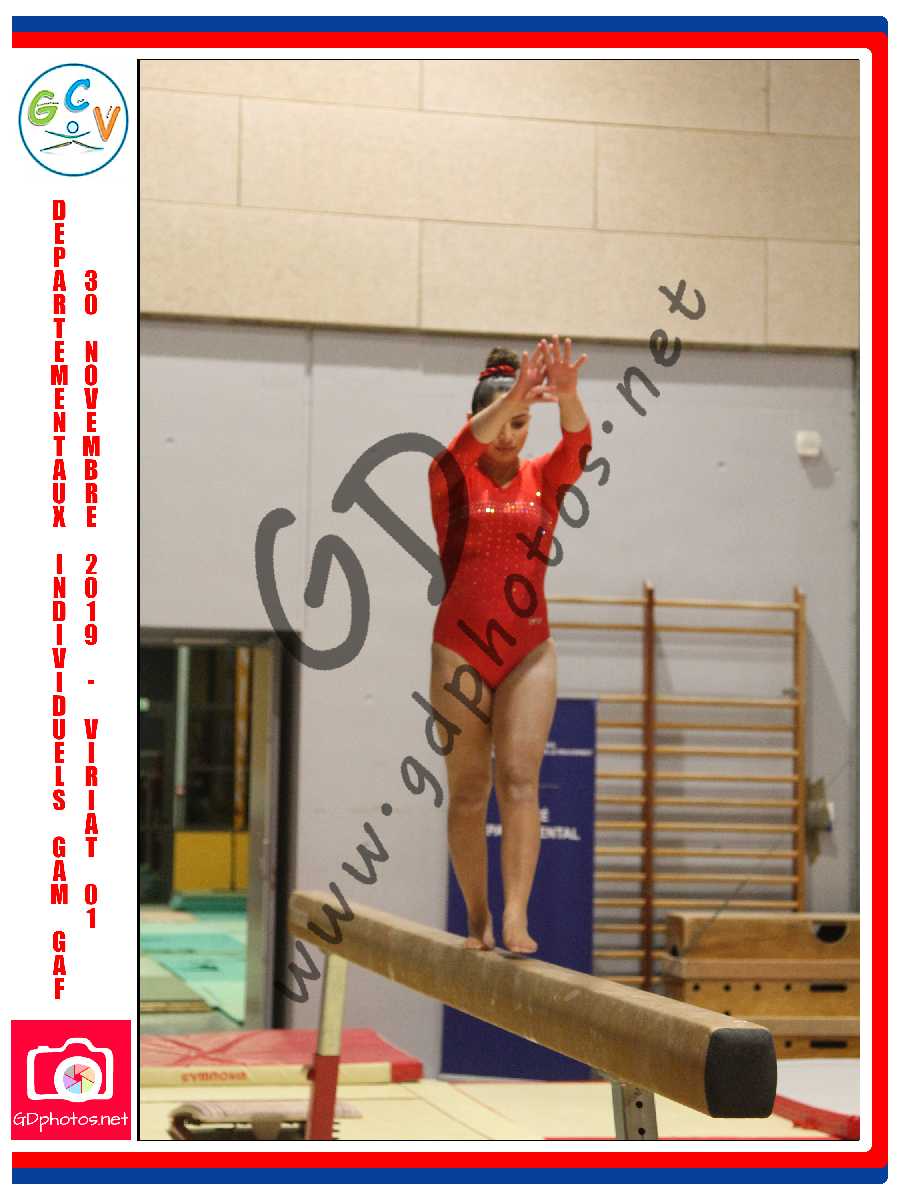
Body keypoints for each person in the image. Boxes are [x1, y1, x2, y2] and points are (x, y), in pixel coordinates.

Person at [428, 335, 592, 954]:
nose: (508, 435)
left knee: (521, 781)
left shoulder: (544, 478)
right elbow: (464, 445)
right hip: (460, 649)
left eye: (521, 423)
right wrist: (513, 396)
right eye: (500, 422)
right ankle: (477, 915)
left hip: (528, 649)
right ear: (478, 419)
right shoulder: (449, 478)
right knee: (470, 789)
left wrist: (567, 396)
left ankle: (516, 913)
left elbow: (578, 446)